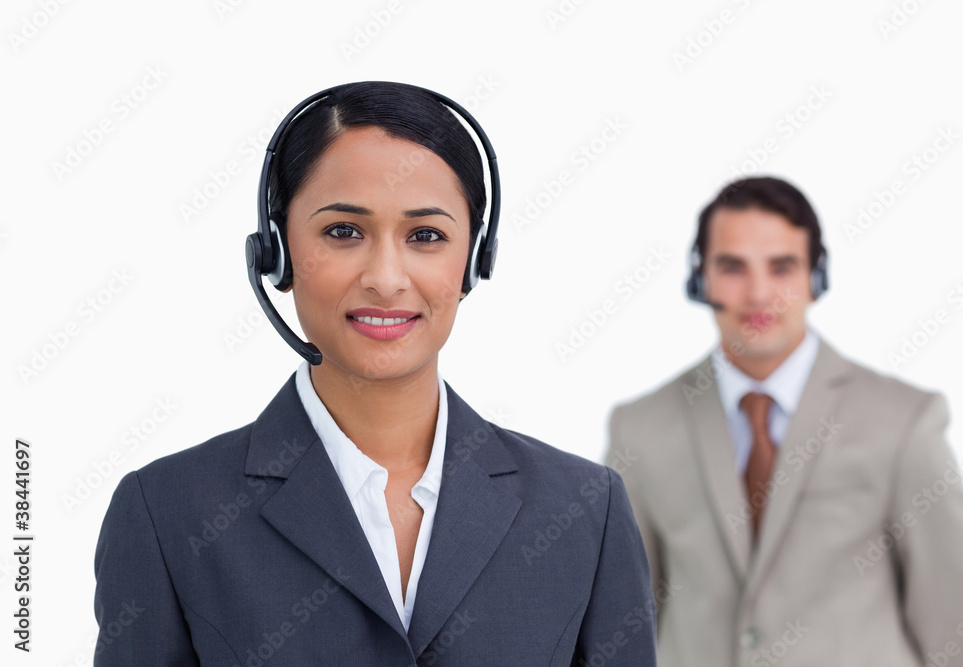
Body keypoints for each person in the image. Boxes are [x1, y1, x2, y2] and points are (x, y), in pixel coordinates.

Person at [94, 82, 656, 666]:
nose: (386, 278)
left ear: (475, 259)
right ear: (276, 254)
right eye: (343, 232)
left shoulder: (586, 509)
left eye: (426, 236)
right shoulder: (166, 512)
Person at [607, 176, 963, 666]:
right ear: (700, 279)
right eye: (732, 267)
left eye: (782, 267)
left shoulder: (904, 421)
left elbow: (956, 627)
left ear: (816, 277)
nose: (760, 292)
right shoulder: (639, 427)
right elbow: (625, 620)